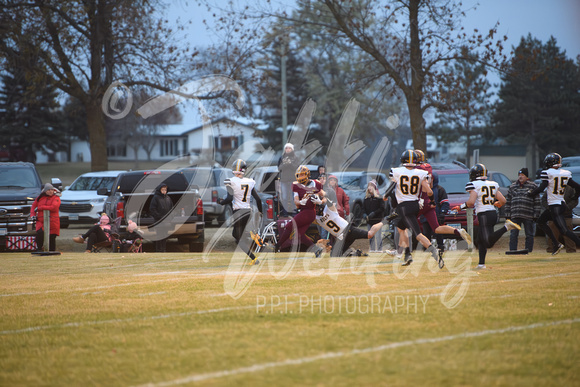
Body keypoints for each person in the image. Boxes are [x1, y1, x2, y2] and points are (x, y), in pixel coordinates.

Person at [452, 163, 521, 269]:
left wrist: (460, 207)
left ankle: (506, 227)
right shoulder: (492, 183)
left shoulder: (474, 184)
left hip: (484, 215)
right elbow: (503, 200)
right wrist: (499, 204)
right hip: (493, 213)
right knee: (480, 240)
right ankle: (481, 264)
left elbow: (471, 202)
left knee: (488, 242)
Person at [389, 150, 442, 267]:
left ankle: (434, 251)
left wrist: (385, 196)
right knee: (401, 227)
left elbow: (392, 189)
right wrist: (432, 201)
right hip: (415, 205)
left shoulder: (397, 171)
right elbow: (429, 191)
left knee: (417, 234)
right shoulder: (420, 172)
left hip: (404, 206)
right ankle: (407, 254)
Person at [528, 153, 580, 255]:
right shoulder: (565, 173)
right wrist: (575, 196)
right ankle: (556, 244)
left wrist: (531, 194)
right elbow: (578, 187)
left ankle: (558, 244)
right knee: (541, 222)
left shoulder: (548, 173)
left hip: (555, 205)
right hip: (560, 204)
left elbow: (542, 188)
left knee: (564, 230)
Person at [217, 159, 263, 265]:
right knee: (236, 235)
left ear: (234, 169)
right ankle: (251, 233)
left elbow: (229, 198)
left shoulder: (231, 181)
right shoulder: (249, 181)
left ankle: (254, 258)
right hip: (247, 211)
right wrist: (260, 212)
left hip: (238, 212)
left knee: (238, 239)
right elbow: (258, 199)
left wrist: (220, 202)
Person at [275, 165, 324, 252]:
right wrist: (300, 202)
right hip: (304, 211)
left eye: (302, 175)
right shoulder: (296, 186)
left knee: (289, 226)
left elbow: (325, 196)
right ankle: (316, 249)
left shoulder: (315, 184)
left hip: (309, 212)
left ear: (307, 174)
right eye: (299, 175)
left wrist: (320, 202)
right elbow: (296, 201)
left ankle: (277, 245)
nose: (300, 177)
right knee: (299, 235)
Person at [505, 167, 541, 252]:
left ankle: (528, 250)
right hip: (515, 215)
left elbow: (537, 201)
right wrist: (507, 215)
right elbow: (508, 201)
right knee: (513, 234)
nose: (520, 177)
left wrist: (536, 215)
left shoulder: (533, 186)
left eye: (522, 175)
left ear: (527, 177)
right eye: (519, 175)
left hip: (528, 215)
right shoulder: (512, 186)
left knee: (529, 234)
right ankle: (512, 251)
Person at [543, 184, 578, 253]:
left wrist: (567, 207)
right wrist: (549, 208)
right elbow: (544, 199)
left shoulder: (570, 189)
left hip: (566, 215)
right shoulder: (551, 188)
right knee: (552, 232)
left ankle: (571, 251)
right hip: (553, 215)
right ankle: (551, 250)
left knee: (568, 233)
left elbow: (575, 200)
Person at [31, 183, 61, 251]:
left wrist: (40, 207)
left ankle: (52, 251)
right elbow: (33, 206)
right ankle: (39, 249)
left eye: (51, 190)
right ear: (45, 191)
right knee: (40, 234)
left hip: (53, 221)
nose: (50, 191)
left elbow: (54, 207)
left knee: (52, 237)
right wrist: (32, 215)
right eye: (48, 190)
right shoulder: (40, 198)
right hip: (41, 221)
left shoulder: (56, 198)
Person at [149, 183, 173, 252]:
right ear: (159, 190)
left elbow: (171, 208)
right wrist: (159, 217)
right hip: (158, 221)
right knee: (159, 236)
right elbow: (152, 209)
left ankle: (163, 250)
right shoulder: (156, 198)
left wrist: (170, 217)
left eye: (165, 189)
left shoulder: (168, 198)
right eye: (162, 189)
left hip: (167, 222)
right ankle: (158, 250)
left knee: (165, 236)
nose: (164, 191)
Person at [363, 179, 385, 252]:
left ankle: (379, 249)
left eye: (371, 186)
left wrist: (374, 213)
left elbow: (382, 208)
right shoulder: (366, 198)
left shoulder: (379, 197)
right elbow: (363, 208)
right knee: (370, 235)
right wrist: (364, 214)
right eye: (369, 186)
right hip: (369, 220)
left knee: (378, 235)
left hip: (377, 220)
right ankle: (372, 249)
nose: (370, 187)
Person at [277, 143, 299, 217]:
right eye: (286, 148)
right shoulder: (281, 158)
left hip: (293, 180)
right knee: (285, 197)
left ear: (292, 149)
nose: (288, 149)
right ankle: (285, 212)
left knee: (293, 197)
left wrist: (290, 164)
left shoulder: (295, 158)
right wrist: (285, 164)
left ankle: (294, 212)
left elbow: (297, 167)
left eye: (289, 148)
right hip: (284, 180)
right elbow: (279, 168)